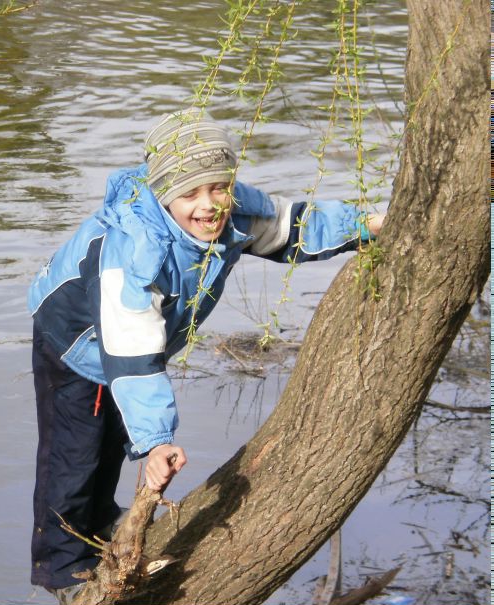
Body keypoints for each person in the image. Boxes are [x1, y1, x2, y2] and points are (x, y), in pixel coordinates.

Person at [27, 108, 384, 603]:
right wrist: (156, 442)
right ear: (163, 194)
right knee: (75, 453)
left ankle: (101, 521)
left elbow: (293, 226)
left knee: (111, 442)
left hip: (132, 346)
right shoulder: (136, 253)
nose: (209, 204)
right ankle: (62, 569)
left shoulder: (232, 213)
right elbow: (131, 359)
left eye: (219, 187)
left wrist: (367, 225)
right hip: (76, 343)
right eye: (190, 193)